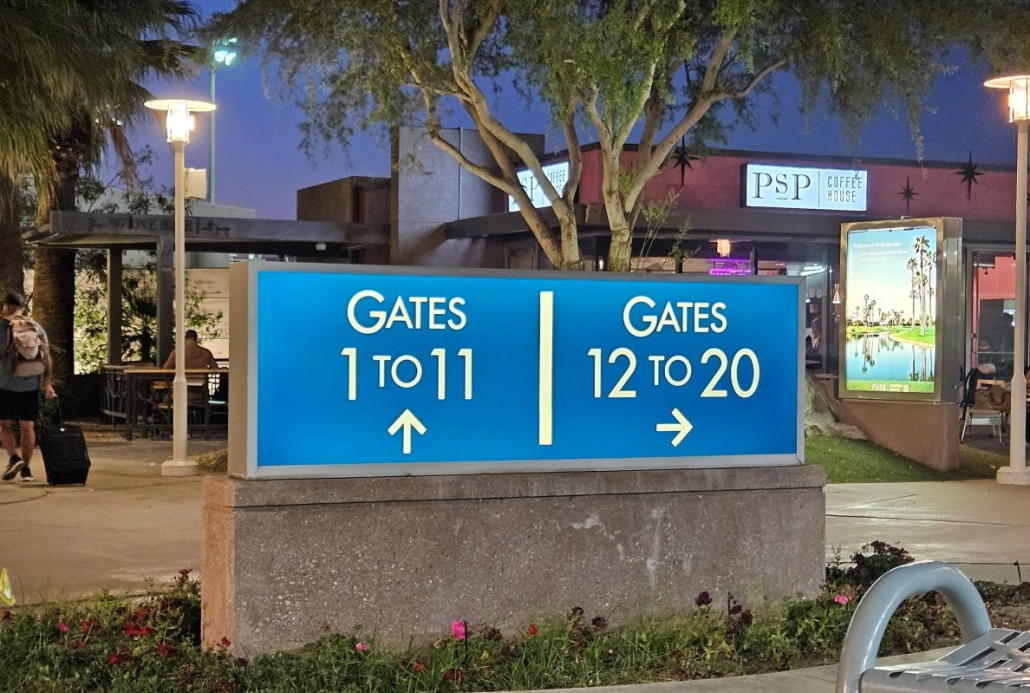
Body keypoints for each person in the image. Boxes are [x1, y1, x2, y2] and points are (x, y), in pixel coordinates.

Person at [0, 292, 57, 482]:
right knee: (28, 426)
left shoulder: (2, 326)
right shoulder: (36, 327)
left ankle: (14, 458)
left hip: (5, 384)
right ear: (23, 307)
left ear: (7, 306)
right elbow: (46, 356)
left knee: (4, 424)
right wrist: (47, 384)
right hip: (32, 383)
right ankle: (27, 469)